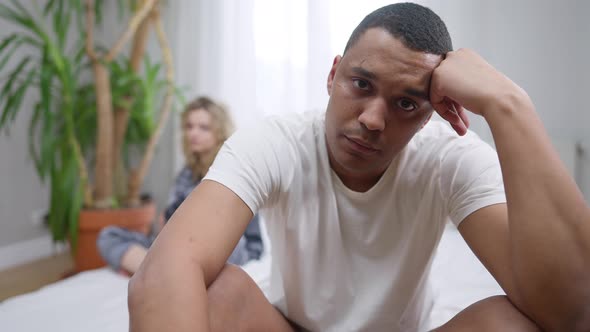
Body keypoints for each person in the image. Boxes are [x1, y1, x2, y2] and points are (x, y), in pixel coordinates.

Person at [128, 3, 590, 332]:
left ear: (432, 113)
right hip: (287, 326)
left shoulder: (449, 156)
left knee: (510, 323)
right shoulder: (275, 142)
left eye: (406, 102)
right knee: (216, 292)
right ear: (333, 76)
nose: (372, 119)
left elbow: (570, 312)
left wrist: (509, 105)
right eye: (361, 83)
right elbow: (164, 270)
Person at [97, 96, 264, 275]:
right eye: (189, 126)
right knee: (109, 236)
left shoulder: (234, 170)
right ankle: (161, 273)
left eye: (204, 128)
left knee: (216, 240)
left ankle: (159, 272)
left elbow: (232, 233)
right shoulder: (187, 172)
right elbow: (169, 220)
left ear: (220, 132)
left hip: (226, 248)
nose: (193, 133)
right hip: (179, 245)